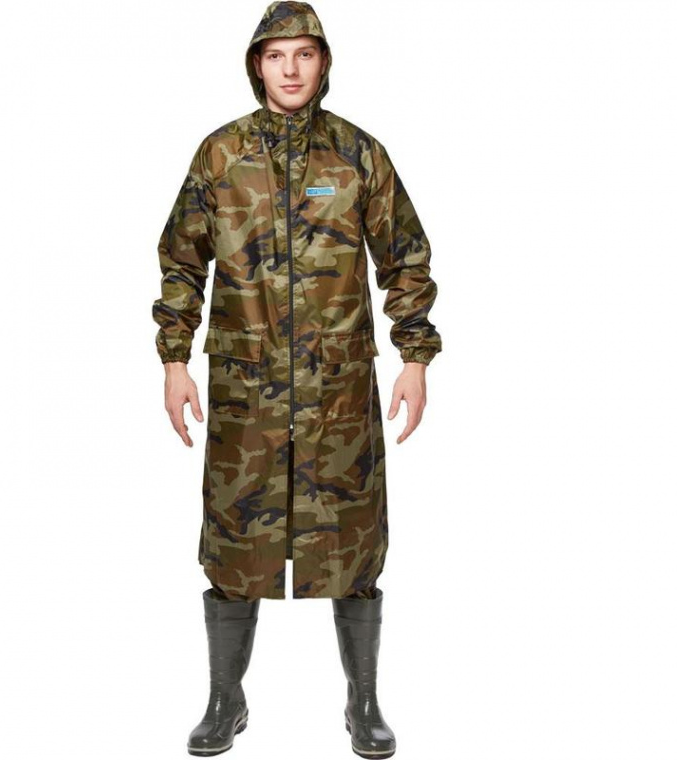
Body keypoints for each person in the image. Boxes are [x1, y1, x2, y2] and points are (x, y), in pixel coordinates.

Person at [152, 2, 442, 756]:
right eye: (276, 55)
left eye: (303, 54)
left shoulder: (358, 155)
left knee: (353, 544)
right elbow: (181, 261)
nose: (290, 69)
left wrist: (414, 357)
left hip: (336, 393)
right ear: (257, 64)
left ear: (323, 62)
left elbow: (406, 257)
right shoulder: (221, 155)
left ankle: (363, 701)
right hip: (245, 392)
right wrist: (174, 360)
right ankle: (225, 699)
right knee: (233, 545)